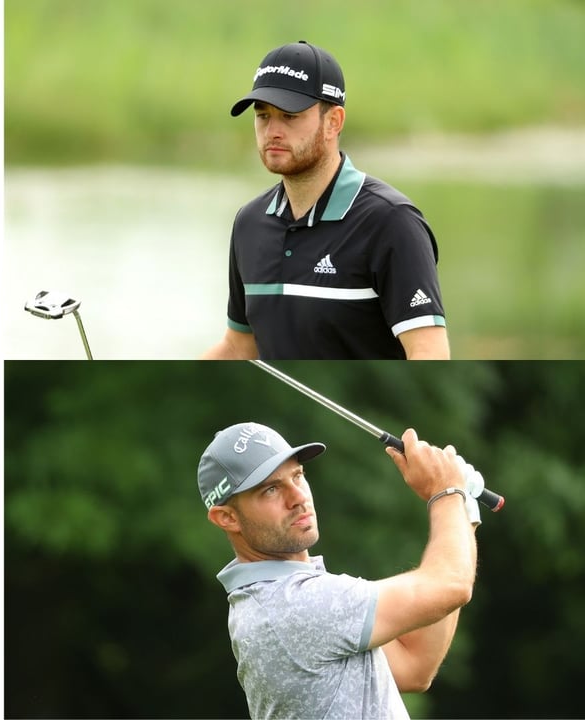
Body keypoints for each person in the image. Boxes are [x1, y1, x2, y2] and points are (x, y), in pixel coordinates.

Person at [197, 421, 479, 718]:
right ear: (227, 517)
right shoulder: (294, 604)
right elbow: (451, 585)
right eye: (270, 490)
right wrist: (446, 493)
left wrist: (462, 509)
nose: (298, 498)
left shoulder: (272, 600)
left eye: (298, 475)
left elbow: (415, 665)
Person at [201, 41, 450, 360]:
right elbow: (239, 346)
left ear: (333, 122)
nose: (272, 131)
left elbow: (428, 351)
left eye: (289, 116)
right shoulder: (249, 222)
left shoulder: (391, 222)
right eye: (263, 116)